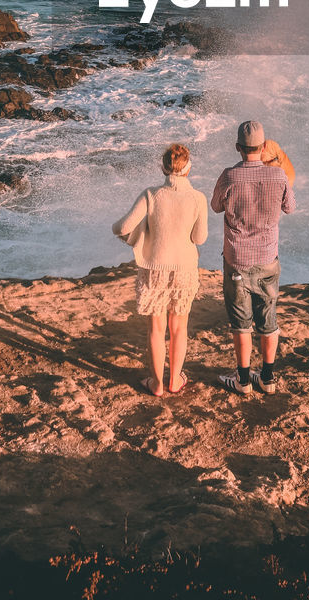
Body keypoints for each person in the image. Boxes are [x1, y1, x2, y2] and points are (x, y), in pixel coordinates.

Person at [112, 142, 208, 397]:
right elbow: (200, 238)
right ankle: (175, 380)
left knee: (156, 329)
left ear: (163, 168)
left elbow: (122, 228)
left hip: (154, 269)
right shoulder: (198, 198)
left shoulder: (151, 194)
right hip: (185, 270)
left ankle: (156, 384)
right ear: (188, 168)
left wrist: (133, 236)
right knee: (179, 328)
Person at [211, 120, 295, 395]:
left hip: (237, 259)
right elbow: (290, 208)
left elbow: (215, 207)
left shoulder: (229, 176)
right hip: (268, 258)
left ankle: (243, 380)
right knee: (268, 320)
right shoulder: (279, 176)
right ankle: (268, 379)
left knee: (241, 324)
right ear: (263, 146)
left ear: (238, 147)